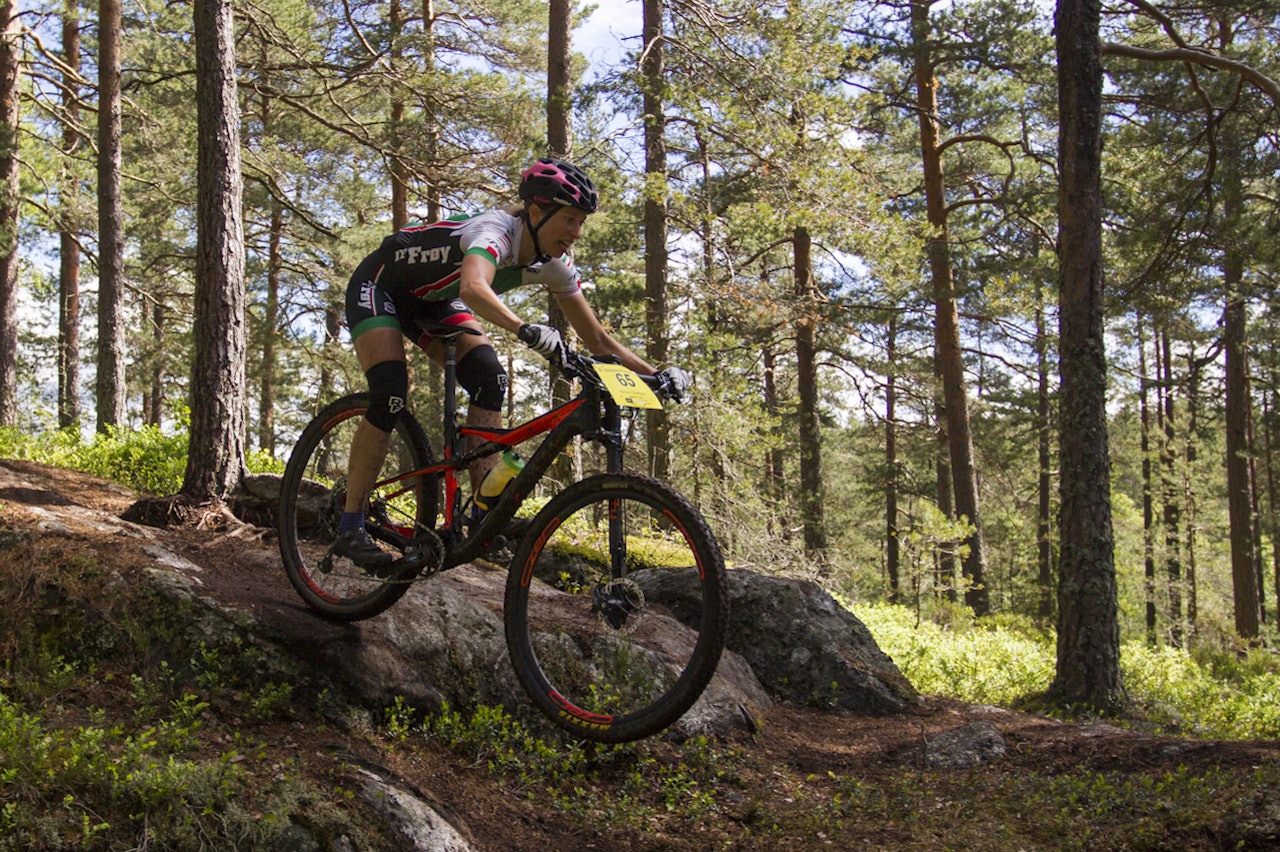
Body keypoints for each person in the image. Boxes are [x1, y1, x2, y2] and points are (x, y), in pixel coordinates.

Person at [335, 157, 690, 571]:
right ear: (536, 213)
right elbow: (473, 287)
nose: (576, 233)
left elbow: (597, 340)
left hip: (432, 299)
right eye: (569, 219)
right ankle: (350, 523)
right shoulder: (495, 231)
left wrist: (656, 375)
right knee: (391, 392)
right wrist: (524, 329)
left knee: (490, 378)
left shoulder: (555, 264)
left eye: (581, 222)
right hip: (380, 285)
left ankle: (481, 512)